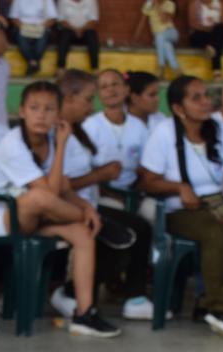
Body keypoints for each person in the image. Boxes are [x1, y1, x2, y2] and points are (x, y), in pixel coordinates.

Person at [0, 81, 117, 337]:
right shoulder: (13, 143)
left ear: (58, 115)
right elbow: (49, 194)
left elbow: (62, 187)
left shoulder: (52, 140)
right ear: (22, 111)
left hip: (37, 218)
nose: (41, 115)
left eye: (49, 109)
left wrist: (88, 208)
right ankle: (101, 225)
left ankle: (84, 313)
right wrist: (62, 146)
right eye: (34, 108)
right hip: (2, 218)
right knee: (38, 197)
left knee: (82, 234)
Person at [139, 75, 223, 339]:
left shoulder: (220, 130)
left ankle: (220, 305)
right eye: (196, 98)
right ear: (178, 108)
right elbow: (147, 181)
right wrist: (178, 187)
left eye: (206, 95)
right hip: (180, 210)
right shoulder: (164, 132)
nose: (206, 101)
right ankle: (222, 309)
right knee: (214, 232)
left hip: (220, 203)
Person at [51, 69, 149, 325]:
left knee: (138, 229)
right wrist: (99, 176)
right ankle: (73, 294)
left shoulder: (76, 130)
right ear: (69, 98)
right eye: (88, 99)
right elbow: (58, 185)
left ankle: (133, 298)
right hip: (67, 207)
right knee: (122, 236)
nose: (92, 106)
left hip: (87, 203)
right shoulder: (57, 133)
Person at [8, 0, 55, 77]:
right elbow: (14, 18)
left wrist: (39, 28)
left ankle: (31, 64)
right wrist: (25, 28)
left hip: (41, 27)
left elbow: (52, 19)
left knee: (42, 40)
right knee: (21, 38)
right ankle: (34, 63)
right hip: (22, 27)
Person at [138, 0, 180, 81]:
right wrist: (137, 37)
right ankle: (177, 70)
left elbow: (163, 19)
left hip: (171, 33)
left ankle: (161, 66)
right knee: (167, 45)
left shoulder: (169, 4)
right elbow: (142, 20)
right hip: (159, 38)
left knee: (159, 37)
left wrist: (157, 5)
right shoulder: (149, 4)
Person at [52, 0, 98, 71]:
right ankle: (61, 68)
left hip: (85, 31)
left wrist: (82, 29)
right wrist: (74, 29)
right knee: (64, 34)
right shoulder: (63, 1)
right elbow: (61, 20)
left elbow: (93, 20)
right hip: (69, 30)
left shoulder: (91, 1)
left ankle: (95, 68)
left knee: (91, 34)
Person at [188, 0, 223, 80]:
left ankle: (209, 47)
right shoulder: (194, 4)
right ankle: (217, 71)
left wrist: (213, 26)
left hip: (214, 33)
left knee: (219, 30)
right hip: (200, 33)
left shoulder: (219, 4)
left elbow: (222, 21)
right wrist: (206, 28)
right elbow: (192, 24)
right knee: (215, 43)